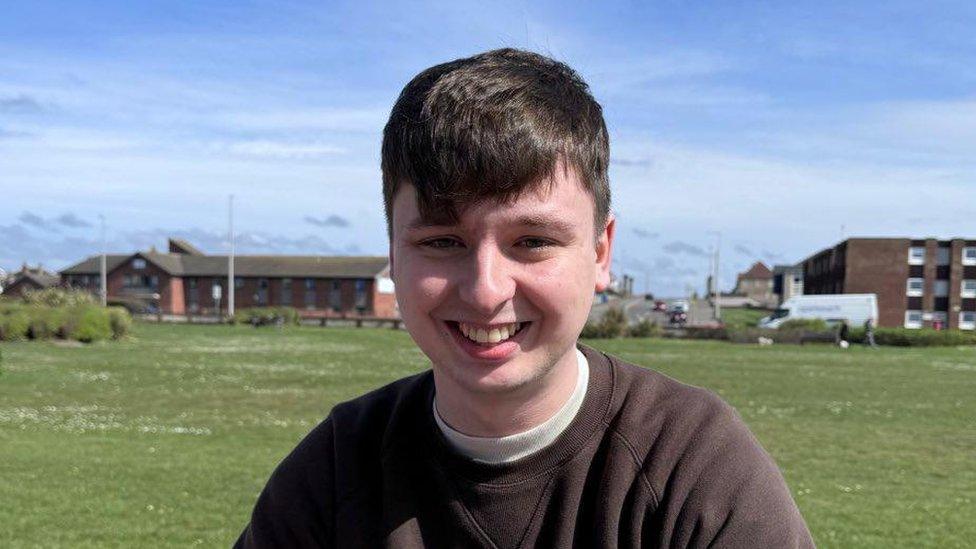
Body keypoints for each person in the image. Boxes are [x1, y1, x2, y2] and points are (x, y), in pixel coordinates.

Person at [235, 48, 814, 548]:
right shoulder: (340, 466)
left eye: (533, 241)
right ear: (393, 251)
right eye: (442, 241)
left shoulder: (691, 463)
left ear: (600, 253)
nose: (487, 290)